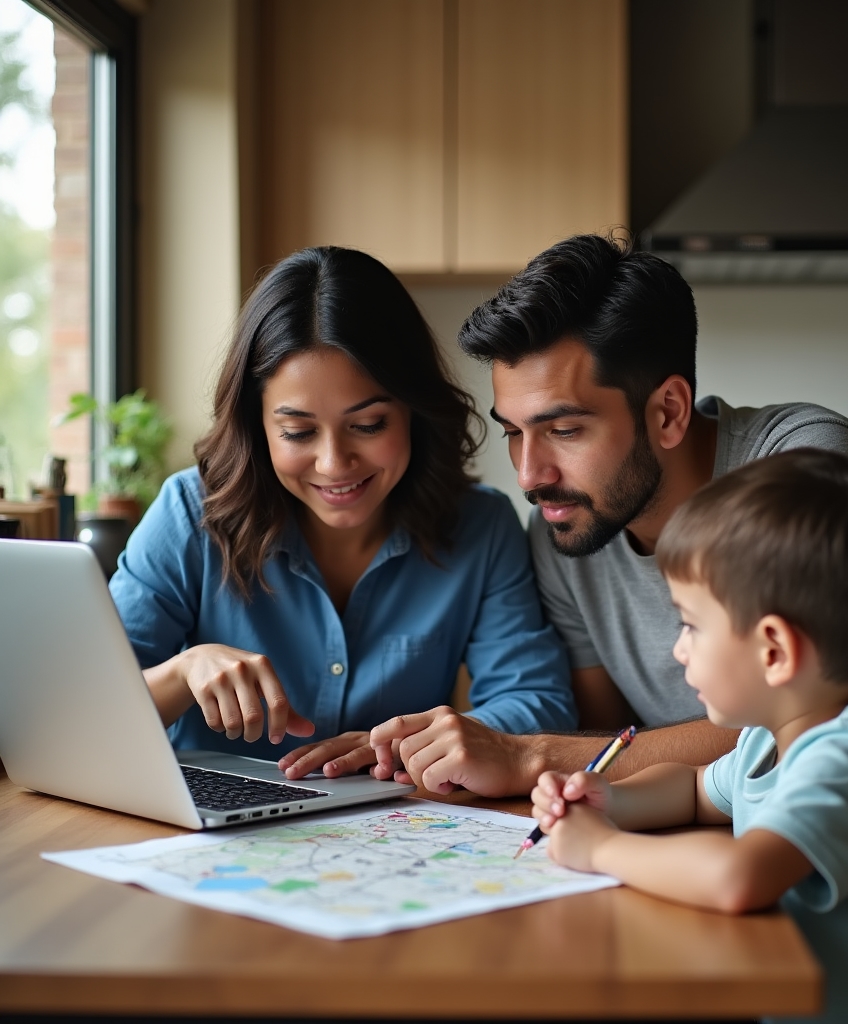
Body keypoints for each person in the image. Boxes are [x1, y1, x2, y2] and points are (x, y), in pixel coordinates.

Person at [364, 234, 848, 1022]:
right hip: (750, 885)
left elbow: (814, 709)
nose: (529, 474)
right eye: (513, 430)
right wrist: (600, 794)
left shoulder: (803, 480)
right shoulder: (566, 526)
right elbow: (631, 746)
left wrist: (536, 762)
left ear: (668, 411)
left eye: (564, 430)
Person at [531, 449, 848, 1024]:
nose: (679, 649)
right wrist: (609, 799)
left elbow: (739, 878)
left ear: (774, 651)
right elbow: (696, 789)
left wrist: (601, 848)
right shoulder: (771, 736)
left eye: (691, 625)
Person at [109, 245, 576, 776]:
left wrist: (409, 745)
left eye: (368, 425)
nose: (334, 463)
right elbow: (78, 707)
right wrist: (181, 672)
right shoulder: (190, 514)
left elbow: (538, 703)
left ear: (414, 411)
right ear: (257, 427)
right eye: (297, 432)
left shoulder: (480, 526)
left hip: (396, 820)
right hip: (208, 822)